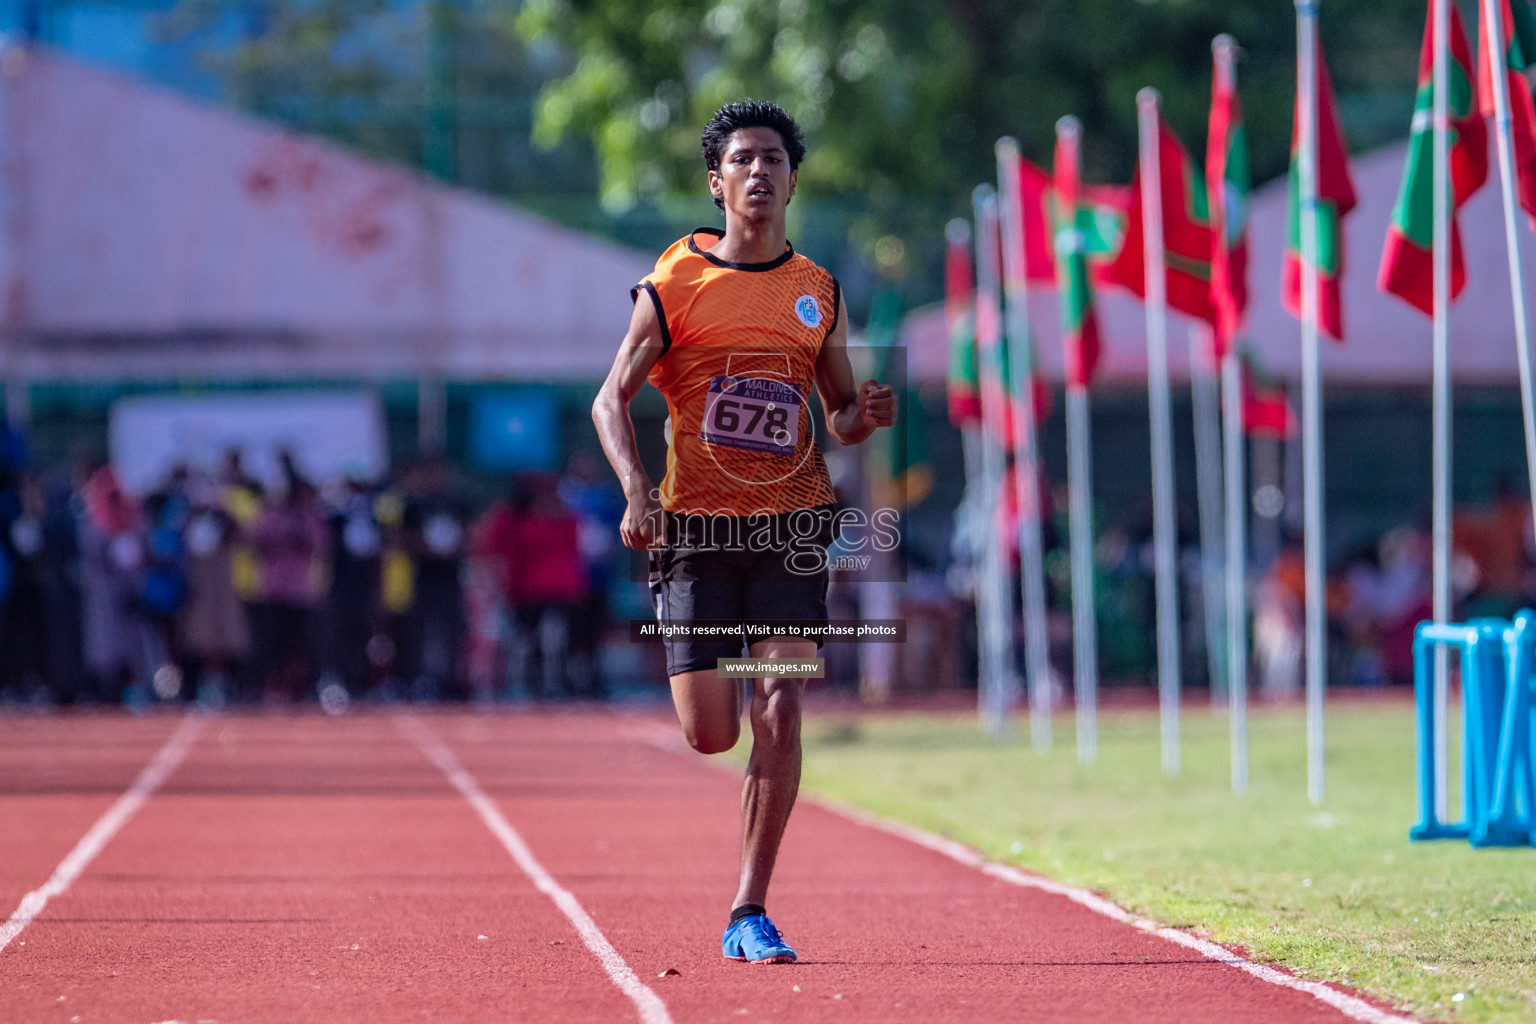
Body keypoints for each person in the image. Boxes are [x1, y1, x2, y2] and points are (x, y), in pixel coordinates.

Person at [591, 100, 896, 964]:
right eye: (742, 160)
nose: (759, 172)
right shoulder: (676, 281)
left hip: (791, 527)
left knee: (782, 701)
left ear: (793, 179)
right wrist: (636, 490)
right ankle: (712, 706)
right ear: (717, 181)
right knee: (712, 733)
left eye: (773, 159)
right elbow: (609, 398)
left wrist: (862, 416)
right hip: (693, 530)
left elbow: (838, 416)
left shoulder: (817, 291)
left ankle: (748, 910)